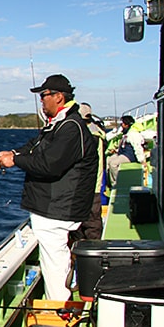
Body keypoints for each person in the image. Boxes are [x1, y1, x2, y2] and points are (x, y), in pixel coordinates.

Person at [0, 75, 97, 300]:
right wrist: (11, 154)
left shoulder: (70, 128)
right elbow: (34, 148)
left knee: (54, 259)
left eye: (44, 95)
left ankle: (59, 307)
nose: (41, 100)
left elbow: (49, 165)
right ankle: (60, 300)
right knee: (53, 256)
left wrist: (15, 161)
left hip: (59, 208)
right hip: (52, 205)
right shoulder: (58, 125)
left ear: (58, 97)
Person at [73, 103, 107, 240]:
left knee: (88, 223)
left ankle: (86, 252)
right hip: (94, 186)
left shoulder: (88, 136)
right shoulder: (97, 132)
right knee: (92, 221)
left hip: (86, 186)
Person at [106, 115, 146, 189]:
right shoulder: (126, 134)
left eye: (123, 123)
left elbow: (137, 147)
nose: (121, 125)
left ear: (127, 125)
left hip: (130, 155)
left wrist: (141, 160)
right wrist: (116, 150)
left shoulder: (133, 134)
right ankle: (109, 183)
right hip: (123, 153)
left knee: (113, 163)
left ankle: (117, 183)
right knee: (108, 160)